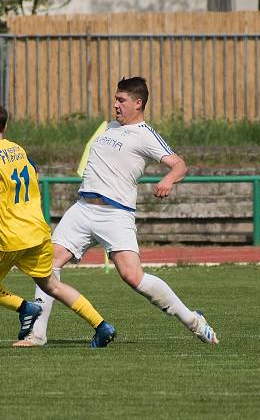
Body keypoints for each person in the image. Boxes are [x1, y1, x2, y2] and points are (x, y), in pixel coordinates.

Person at [13, 76, 219, 347]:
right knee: (46, 265)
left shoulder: (145, 134)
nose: (115, 105)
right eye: (115, 99)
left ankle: (193, 321)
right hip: (82, 209)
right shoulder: (110, 127)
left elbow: (179, 164)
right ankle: (37, 335)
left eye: (121, 100)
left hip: (115, 214)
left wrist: (168, 180)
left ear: (138, 103)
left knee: (133, 277)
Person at [0, 100, 116, 347]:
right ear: (6, 126)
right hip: (38, 233)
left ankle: (24, 308)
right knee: (51, 284)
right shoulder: (19, 151)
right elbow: (30, 172)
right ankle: (101, 326)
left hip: (8, 237)